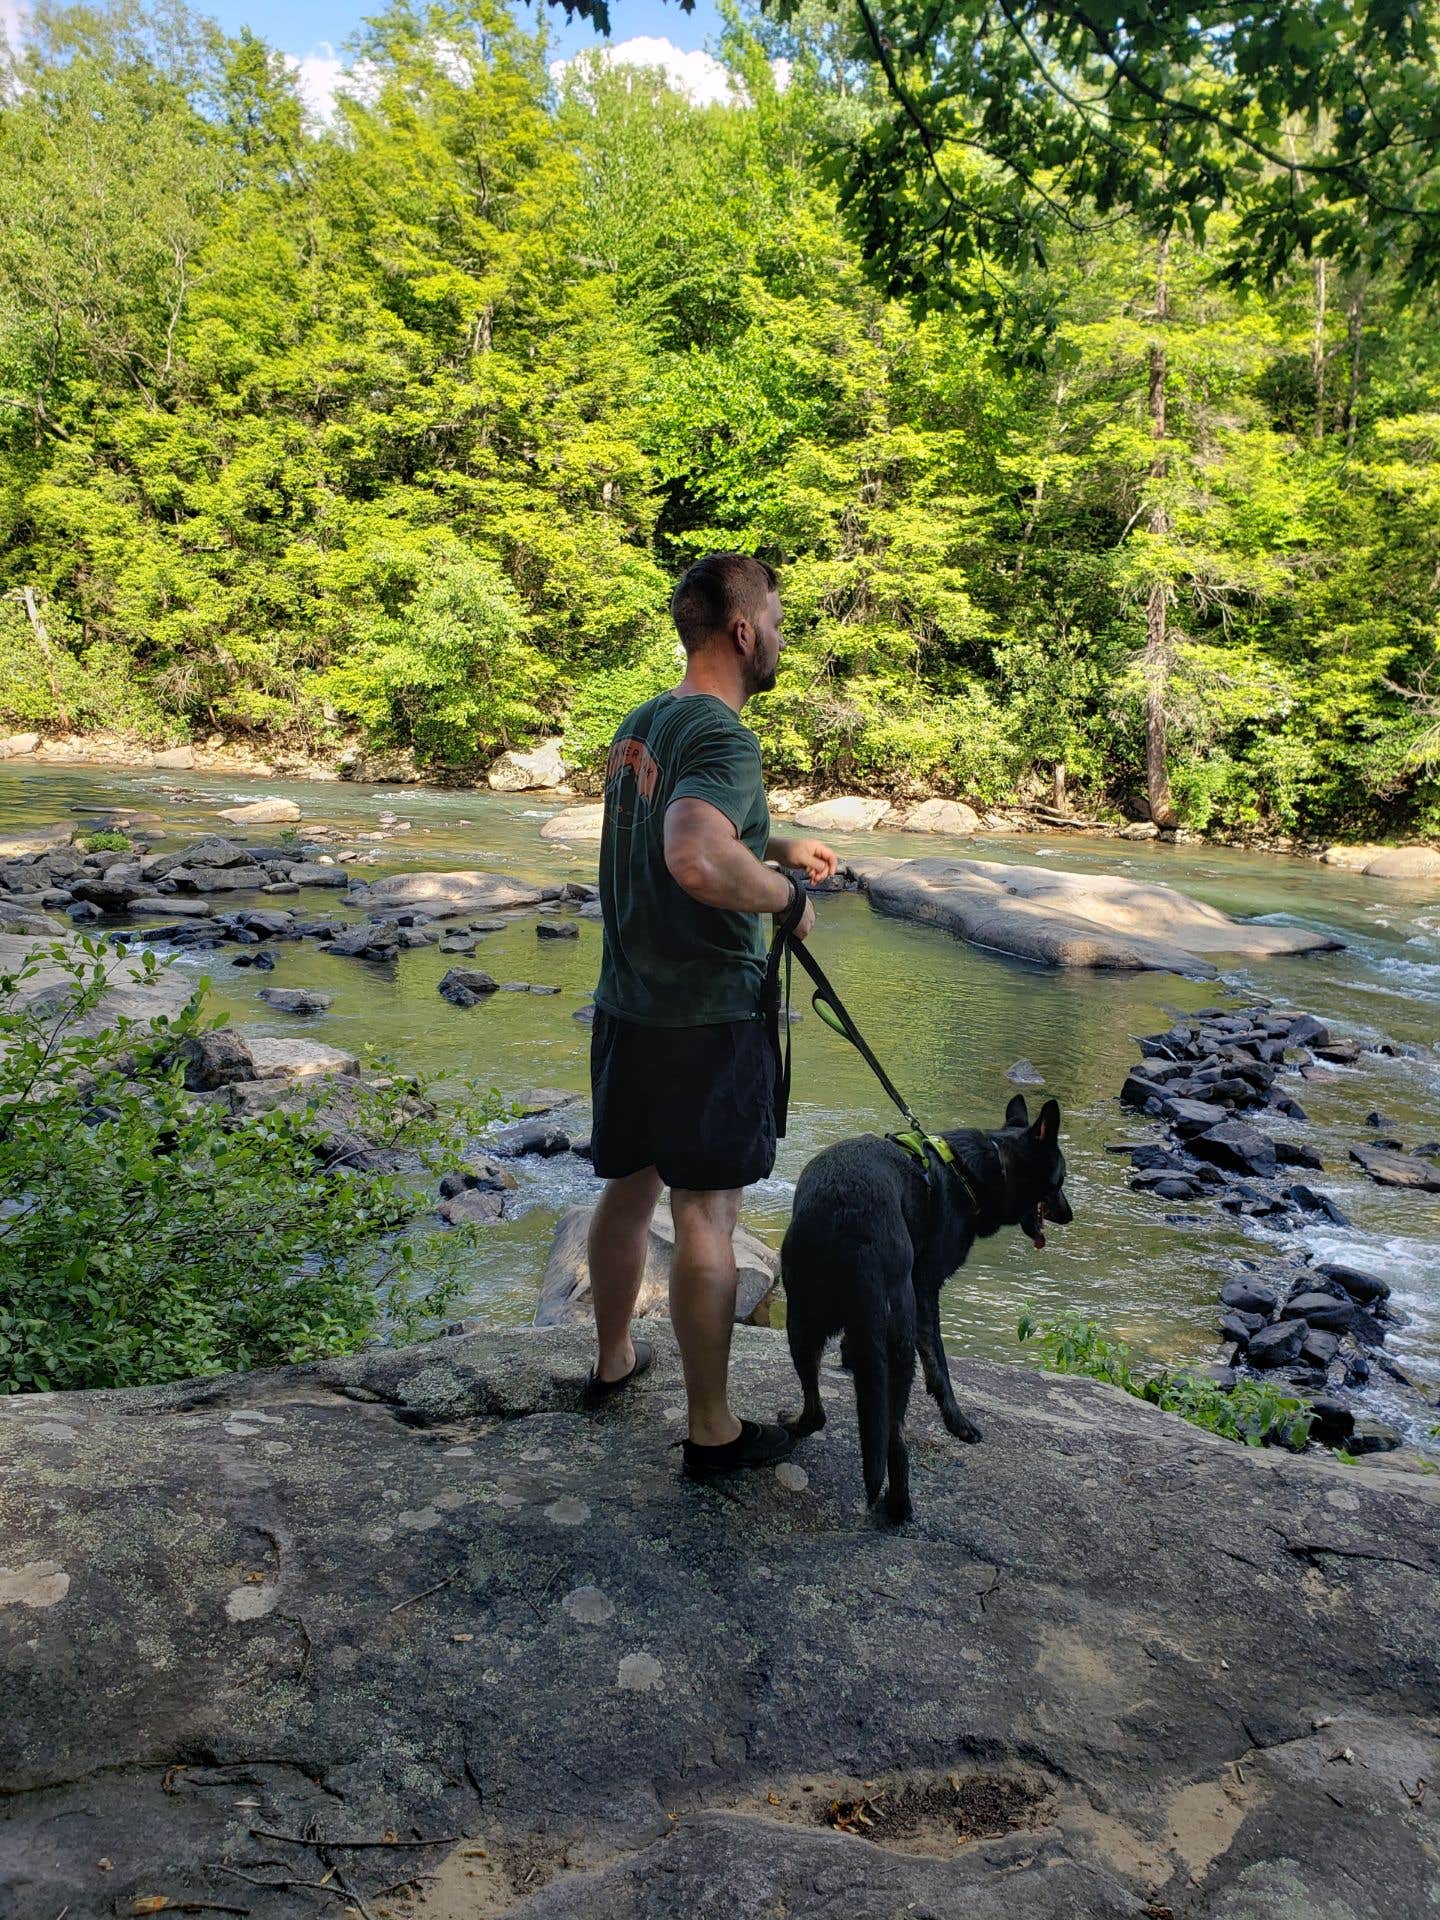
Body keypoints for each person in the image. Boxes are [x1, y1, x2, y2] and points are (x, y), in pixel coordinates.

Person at [583, 552, 838, 1478]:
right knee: (707, 1215)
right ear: (740, 630)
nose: (779, 633)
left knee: (629, 1189)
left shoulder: (642, 723)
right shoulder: (727, 737)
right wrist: (783, 896)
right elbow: (694, 857)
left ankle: (611, 1361)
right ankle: (712, 1430)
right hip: (705, 1015)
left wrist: (773, 838)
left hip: (628, 1008)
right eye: (774, 615)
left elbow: (675, 829)